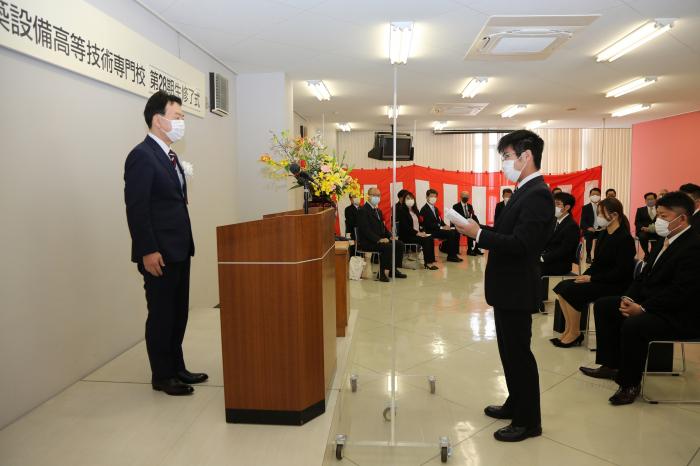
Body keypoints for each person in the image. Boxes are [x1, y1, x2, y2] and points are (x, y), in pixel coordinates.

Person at [457, 130, 553, 442]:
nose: (503, 164)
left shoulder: (537, 193)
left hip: (517, 286)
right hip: (506, 287)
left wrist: (479, 235)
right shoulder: (523, 190)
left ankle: (528, 421)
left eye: (507, 157)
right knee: (509, 352)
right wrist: (478, 229)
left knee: (519, 354)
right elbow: (508, 232)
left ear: (526, 156)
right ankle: (516, 402)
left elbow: (522, 244)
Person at [580, 192, 700, 405]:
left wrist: (642, 308)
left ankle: (629, 384)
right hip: (653, 301)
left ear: (681, 219)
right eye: (658, 216)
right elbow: (644, 275)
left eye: (663, 216)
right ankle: (611, 364)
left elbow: (681, 292)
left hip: (679, 313)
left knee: (635, 325)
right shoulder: (666, 239)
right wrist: (628, 297)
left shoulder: (694, 246)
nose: (658, 221)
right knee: (605, 306)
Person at [124, 90, 206, 396]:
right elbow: (137, 208)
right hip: (158, 253)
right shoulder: (141, 156)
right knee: (161, 314)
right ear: (159, 120)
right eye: (178, 117)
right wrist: (148, 250)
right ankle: (162, 375)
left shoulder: (169, 156)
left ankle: (177, 366)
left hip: (179, 249)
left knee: (178, 312)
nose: (182, 122)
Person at [552, 198, 636, 348]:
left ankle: (575, 333)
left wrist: (591, 278)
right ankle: (569, 329)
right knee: (562, 287)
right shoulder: (603, 234)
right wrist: (584, 275)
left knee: (571, 291)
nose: (599, 217)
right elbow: (597, 263)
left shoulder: (624, 239)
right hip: (599, 279)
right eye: (598, 213)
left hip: (614, 284)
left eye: (601, 214)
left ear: (615, 215)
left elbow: (621, 271)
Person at [539, 192, 580, 311]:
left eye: (557, 204)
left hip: (561, 263)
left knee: (534, 267)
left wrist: (543, 258)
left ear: (567, 207)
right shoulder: (555, 221)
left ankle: (537, 302)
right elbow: (547, 242)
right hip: (551, 259)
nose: (554, 206)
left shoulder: (571, 226)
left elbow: (564, 250)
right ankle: (536, 298)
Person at [356, 187, 407, 282]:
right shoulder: (362, 210)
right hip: (368, 241)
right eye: (374, 195)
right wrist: (379, 239)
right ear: (368, 197)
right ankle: (382, 273)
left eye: (378, 195)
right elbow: (365, 230)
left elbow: (383, 227)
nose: (377, 197)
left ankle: (393, 269)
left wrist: (390, 236)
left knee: (399, 244)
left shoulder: (378, 211)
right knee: (387, 247)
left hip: (380, 239)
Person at [396, 191, 438, 270]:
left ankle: (430, 261)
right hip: (407, 236)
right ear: (404, 200)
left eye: (412, 198)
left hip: (416, 234)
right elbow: (405, 227)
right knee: (426, 240)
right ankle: (428, 263)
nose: (410, 200)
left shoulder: (415, 210)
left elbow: (421, 223)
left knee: (430, 237)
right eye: (408, 198)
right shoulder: (401, 211)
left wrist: (423, 231)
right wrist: (417, 233)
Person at [420, 189, 462, 262]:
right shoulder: (424, 209)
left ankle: (451, 252)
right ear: (427, 197)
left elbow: (440, 220)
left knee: (456, 232)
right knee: (450, 233)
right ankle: (451, 256)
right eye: (431, 196)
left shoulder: (435, 208)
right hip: (430, 231)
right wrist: (441, 226)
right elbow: (428, 224)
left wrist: (445, 225)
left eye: (435, 196)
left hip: (437, 229)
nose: (433, 198)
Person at [453, 191, 483, 256]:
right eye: (464, 196)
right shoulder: (456, 206)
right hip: (460, 225)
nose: (466, 198)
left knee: (479, 230)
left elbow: (473, 215)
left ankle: (476, 249)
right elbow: (455, 218)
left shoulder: (470, 206)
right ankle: (469, 250)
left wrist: (478, 223)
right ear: (460, 196)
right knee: (470, 230)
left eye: (467, 196)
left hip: (468, 224)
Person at [634, 192, 659, 260]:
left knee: (661, 236)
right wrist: (642, 228)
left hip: (656, 230)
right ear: (645, 201)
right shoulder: (640, 210)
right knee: (642, 236)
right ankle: (646, 253)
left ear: (655, 200)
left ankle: (653, 253)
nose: (650, 201)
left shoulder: (659, 209)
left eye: (652, 199)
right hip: (644, 231)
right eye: (648, 199)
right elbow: (637, 222)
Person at [580, 188, 602, 264]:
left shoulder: (603, 206)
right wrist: (588, 228)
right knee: (589, 234)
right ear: (589, 195)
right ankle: (588, 256)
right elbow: (582, 222)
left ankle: (598, 256)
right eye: (593, 194)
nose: (595, 196)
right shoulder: (586, 207)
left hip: (600, 229)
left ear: (600, 196)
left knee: (605, 234)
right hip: (590, 230)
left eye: (597, 194)